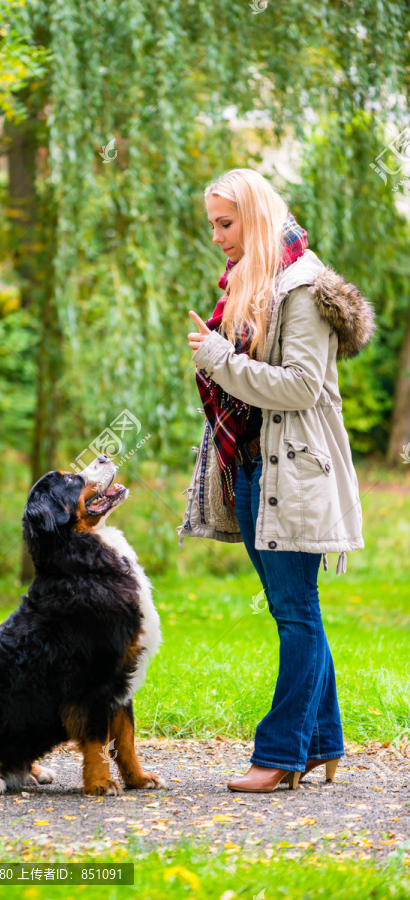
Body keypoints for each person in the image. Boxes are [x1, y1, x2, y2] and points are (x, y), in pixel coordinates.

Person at [179, 168, 376, 793]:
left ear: (257, 219)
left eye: (226, 222)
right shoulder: (249, 283)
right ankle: (320, 743)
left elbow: (300, 386)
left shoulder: (303, 288)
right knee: (298, 614)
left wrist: (218, 358)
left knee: (296, 615)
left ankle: (282, 754)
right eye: (212, 222)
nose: (217, 236)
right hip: (254, 470)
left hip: (292, 473)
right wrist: (220, 355)